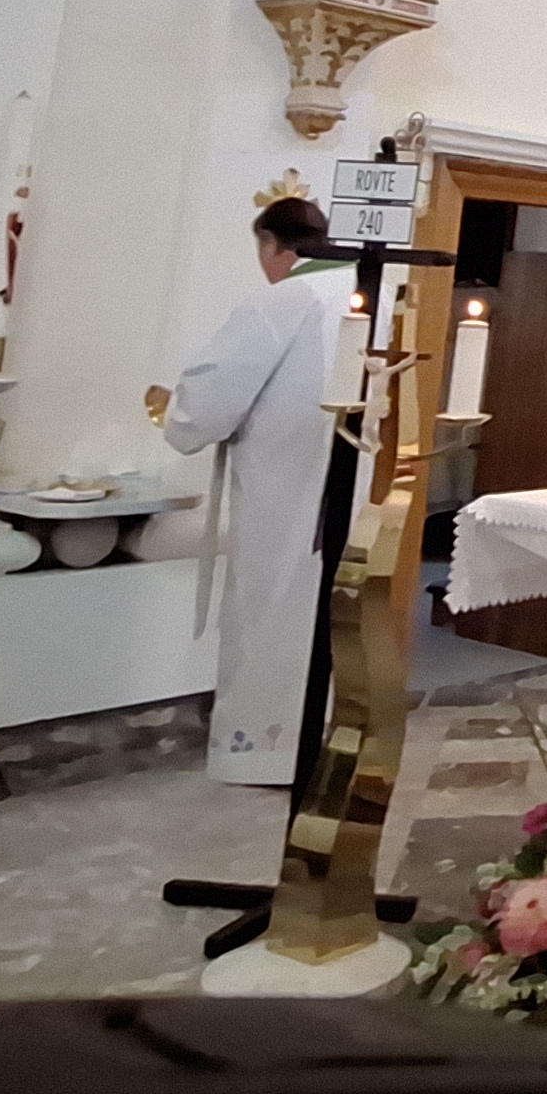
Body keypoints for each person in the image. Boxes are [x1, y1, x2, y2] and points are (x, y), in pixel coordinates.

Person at [160, 197, 352, 785]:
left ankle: (263, 752)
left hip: (283, 487)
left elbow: (208, 403)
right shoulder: (362, 292)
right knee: (327, 605)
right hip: (346, 478)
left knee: (271, 606)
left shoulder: (284, 300)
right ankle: (324, 740)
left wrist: (176, 414)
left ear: (273, 244)